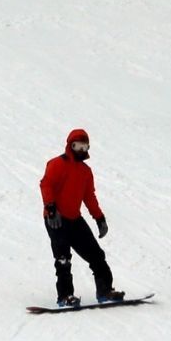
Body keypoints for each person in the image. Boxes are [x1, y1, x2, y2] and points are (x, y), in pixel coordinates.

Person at [39, 128, 124, 307]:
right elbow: (46, 185)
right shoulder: (56, 164)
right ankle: (65, 296)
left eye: (85, 146)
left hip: (74, 219)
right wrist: (51, 208)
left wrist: (99, 218)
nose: (81, 150)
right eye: (77, 145)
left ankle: (105, 290)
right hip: (56, 219)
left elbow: (89, 197)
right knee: (63, 258)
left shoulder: (85, 171)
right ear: (70, 146)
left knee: (96, 256)